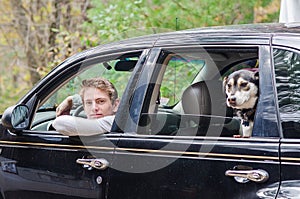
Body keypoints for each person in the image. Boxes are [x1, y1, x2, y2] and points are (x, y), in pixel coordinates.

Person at [52, 77, 119, 136]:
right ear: (83, 106)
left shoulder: (114, 122)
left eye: (101, 101)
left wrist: (72, 100)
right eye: (89, 103)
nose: (94, 108)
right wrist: (72, 99)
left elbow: (60, 123)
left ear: (115, 105)